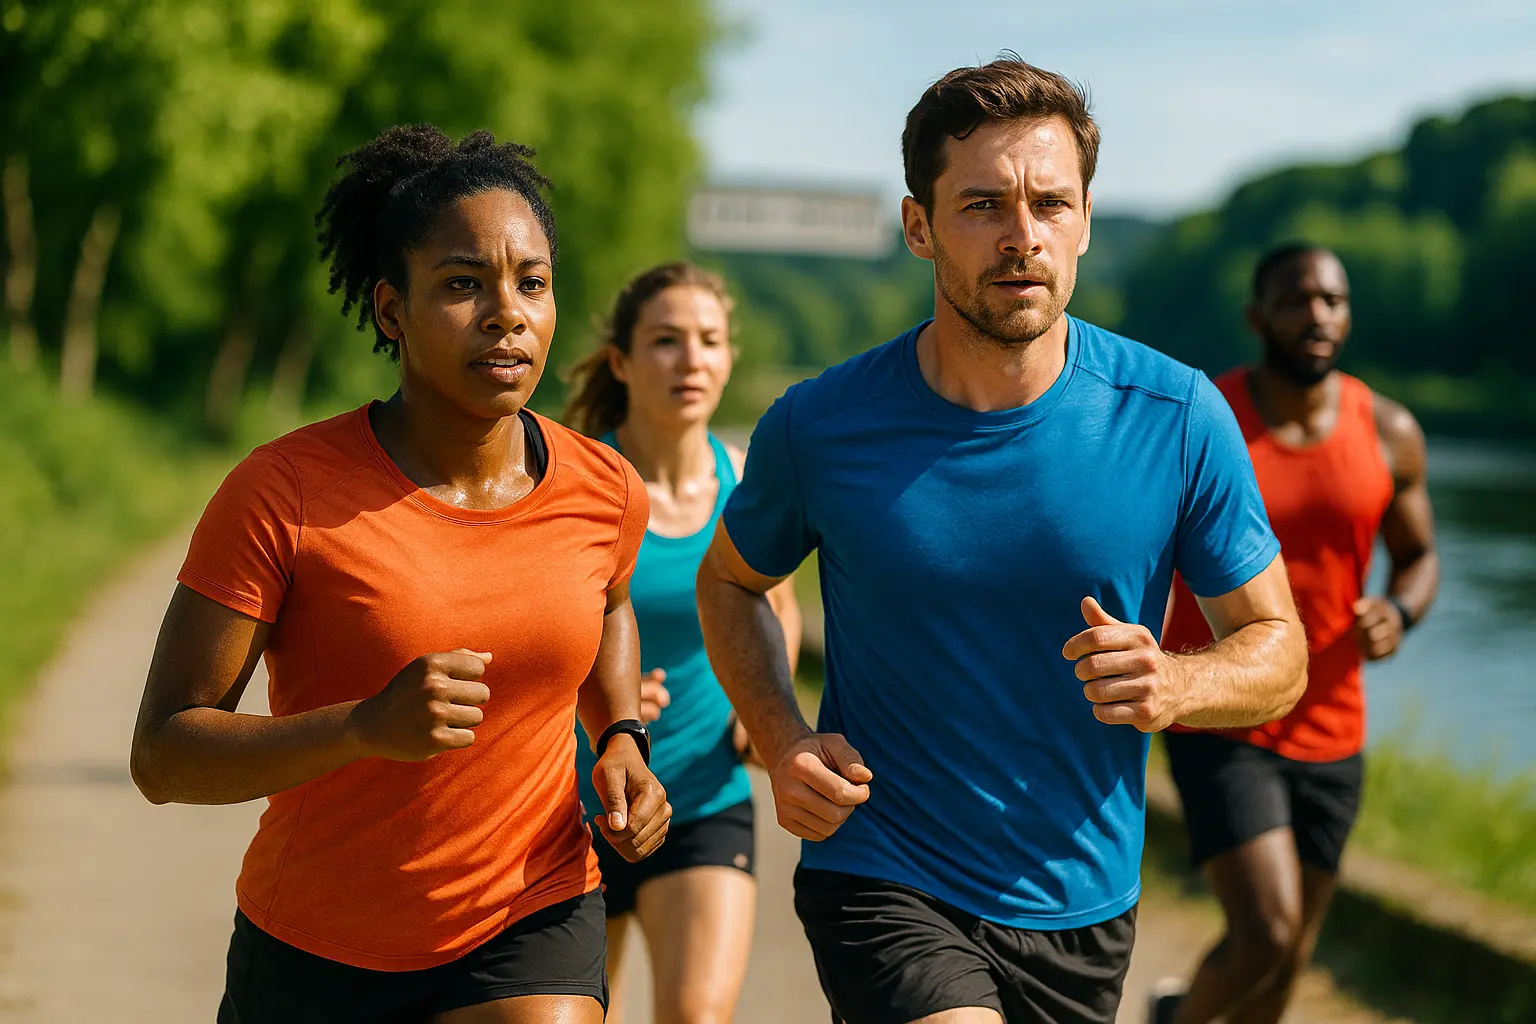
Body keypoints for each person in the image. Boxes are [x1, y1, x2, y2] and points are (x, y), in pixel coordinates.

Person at [694, 56, 1310, 1024]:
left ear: (1085, 223)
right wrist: (780, 739)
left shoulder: (1178, 413)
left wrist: (1179, 681)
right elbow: (729, 585)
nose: (1023, 237)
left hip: (1082, 901)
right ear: (918, 227)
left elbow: (1281, 651)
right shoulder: (820, 424)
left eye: (1051, 204)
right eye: (982, 204)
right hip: (881, 868)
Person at [129, 125, 672, 1024]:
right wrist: (362, 729)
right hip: (315, 944)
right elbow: (164, 754)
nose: (508, 312)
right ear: (391, 311)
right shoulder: (284, 491)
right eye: (463, 285)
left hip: (531, 910)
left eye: (530, 283)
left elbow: (609, 604)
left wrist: (620, 736)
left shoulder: (604, 487)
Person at [1149, 244, 1439, 1024]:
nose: (1316, 314)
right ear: (1257, 316)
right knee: (1266, 932)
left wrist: (1399, 611)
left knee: (1288, 957)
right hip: (1223, 704)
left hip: (1335, 722)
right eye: (1295, 298)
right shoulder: (1208, 417)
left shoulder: (1388, 431)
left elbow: (1418, 558)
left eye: (1332, 300)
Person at [563, 261, 802, 1024]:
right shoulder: (573, 484)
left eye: (709, 340)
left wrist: (758, 713)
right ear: (623, 363)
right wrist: (597, 690)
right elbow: (527, 628)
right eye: (666, 340)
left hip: (704, 797)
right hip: (572, 805)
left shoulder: (747, 480)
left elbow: (779, 607)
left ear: (729, 358)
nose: (691, 359)